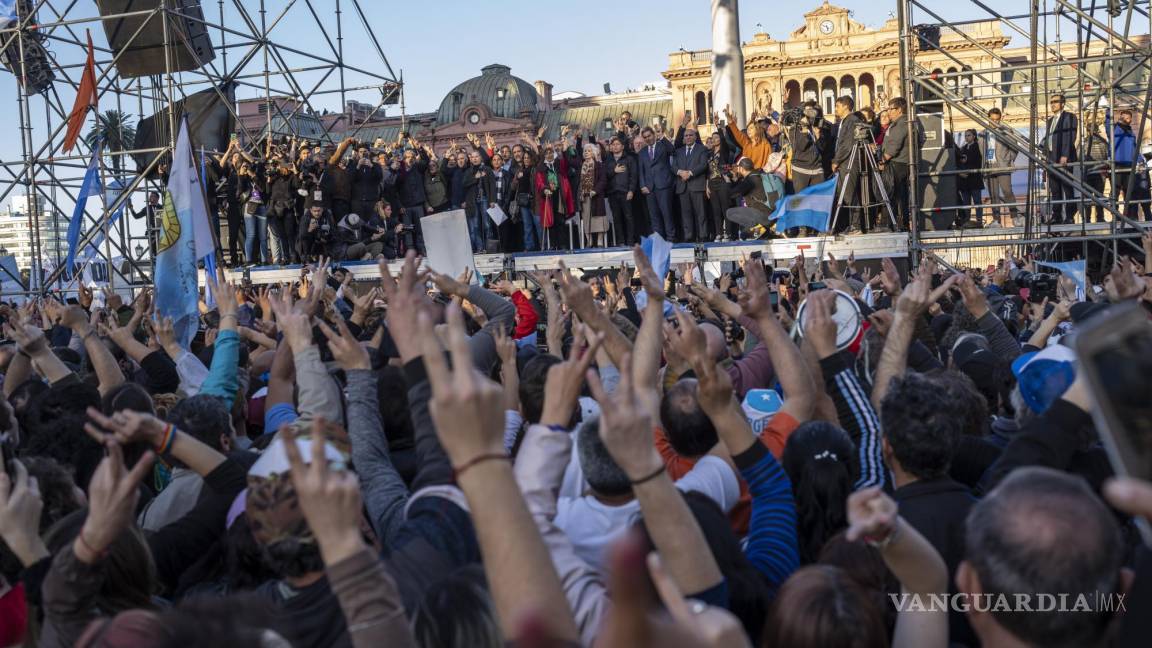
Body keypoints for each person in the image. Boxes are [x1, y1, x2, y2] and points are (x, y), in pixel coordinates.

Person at [878, 97, 923, 232]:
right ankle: (899, 223)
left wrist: (883, 159)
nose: (889, 112)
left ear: (899, 110)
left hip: (898, 164)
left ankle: (891, 223)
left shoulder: (902, 123)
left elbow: (895, 144)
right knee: (900, 194)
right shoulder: (902, 122)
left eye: (891, 109)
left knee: (892, 193)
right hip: (901, 163)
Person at [831, 95, 867, 234]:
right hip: (844, 162)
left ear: (845, 106)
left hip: (849, 161)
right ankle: (850, 224)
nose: (835, 109)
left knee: (849, 193)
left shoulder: (852, 121)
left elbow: (847, 144)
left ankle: (856, 226)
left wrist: (836, 160)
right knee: (843, 195)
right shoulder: (845, 121)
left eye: (837, 106)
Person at [982, 107, 1021, 227]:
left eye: (997, 120)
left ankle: (1015, 218)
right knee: (994, 194)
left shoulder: (1006, 131)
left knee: (1007, 191)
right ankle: (996, 220)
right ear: (988, 118)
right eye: (993, 120)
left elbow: (1015, 147)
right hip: (989, 164)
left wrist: (1008, 159)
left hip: (1003, 165)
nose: (995, 122)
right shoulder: (982, 133)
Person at [638, 124, 676, 240]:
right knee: (654, 216)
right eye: (645, 137)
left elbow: (672, 150)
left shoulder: (662, 146)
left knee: (667, 214)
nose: (647, 139)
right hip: (649, 188)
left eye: (649, 136)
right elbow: (641, 170)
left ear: (654, 135)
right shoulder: (642, 152)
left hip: (663, 185)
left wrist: (662, 137)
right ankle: (659, 240)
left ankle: (671, 238)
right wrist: (642, 185)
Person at [1044, 94, 1079, 224]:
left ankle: (1070, 215)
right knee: (1055, 189)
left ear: (1063, 103)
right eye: (1051, 102)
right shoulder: (1050, 121)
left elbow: (1071, 136)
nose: (1052, 104)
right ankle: (1056, 215)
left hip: (1064, 157)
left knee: (1067, 187)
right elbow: (1048, 140)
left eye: (1056, 102)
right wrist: (1045, 157)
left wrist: (1065, 155)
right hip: (1051, 157)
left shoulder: (1069, 117)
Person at [673, 127, 710, 242]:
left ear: (695, 136)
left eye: (690, 135)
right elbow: (673, 166)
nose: (688, 137)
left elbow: (703, 165)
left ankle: (703, 236)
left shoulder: (702, 149)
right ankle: (689, 236)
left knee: (701, 213)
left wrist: (690, 173)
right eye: (686, 136)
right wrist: (680, 172)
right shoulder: (678, 151)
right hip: (682, 187)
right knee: (686, 214)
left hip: (697, 185)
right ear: (683, 138)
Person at [602, 136, 637, 244]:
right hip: (612, 193)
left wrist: (631, 190)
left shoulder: (629, 159)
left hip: (625, 192)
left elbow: (633, 176)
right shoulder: (608, 159)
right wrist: (614, 170)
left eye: (617, 144)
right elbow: (604, 176)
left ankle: (631, 240)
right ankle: (620, 241)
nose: (615, 146)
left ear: (622, 146)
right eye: (613, 145)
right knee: (616, 218)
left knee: (629, 217)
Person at [578, 142, 609, 248]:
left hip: (596, 196)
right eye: (585, 151)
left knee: (598, 218)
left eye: (589, 151)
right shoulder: (581, 165)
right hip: (584, 197)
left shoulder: (599, 165)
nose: (586, 153)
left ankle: (600, 241)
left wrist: (595, 190)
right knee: (586, 218)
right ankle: (589, 241)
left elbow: (603, 180)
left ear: (593, 153)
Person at [956, 128, 985, 228]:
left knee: (977, 201)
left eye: (968, 135)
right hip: (965, 180)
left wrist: (967, 162)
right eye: (965, 135)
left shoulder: (978, 147)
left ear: (974, 136)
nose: (966, 137)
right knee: (966, 202)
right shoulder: (963, 148)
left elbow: (978, 161)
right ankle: (966, 220)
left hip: (975, 178)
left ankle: (979, 220)